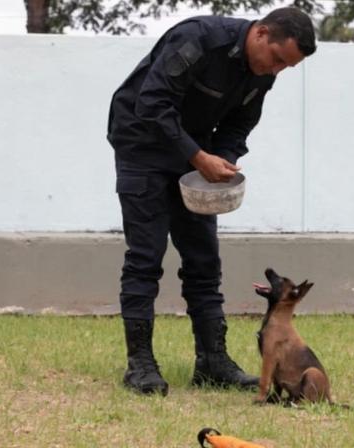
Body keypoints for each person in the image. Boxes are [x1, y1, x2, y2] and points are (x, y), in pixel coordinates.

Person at [106, 7, 317, 396]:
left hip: (193, 157)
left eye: (287, 67)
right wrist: (198, 156)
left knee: (204, 261)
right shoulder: (199, 38)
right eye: (277, 58)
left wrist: (224, 160)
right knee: (146, 257)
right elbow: (151, 103)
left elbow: (240, 124)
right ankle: (140, 365)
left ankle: (212, 362)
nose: (277, 71)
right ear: (260, 33)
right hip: (142, 146)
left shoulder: (262, 74)